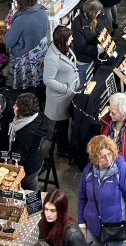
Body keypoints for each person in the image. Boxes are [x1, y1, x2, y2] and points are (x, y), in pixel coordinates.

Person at [78, 134, 126, 246]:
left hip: (114, 227)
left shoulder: (122, 169)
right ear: (95, 157)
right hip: (92, 227)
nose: (108, 159)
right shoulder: (88, 171)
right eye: (102, 156)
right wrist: (82, 224)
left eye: (109, 154)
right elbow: (82, 197)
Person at [43, 26, 81, 159]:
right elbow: (48, 80)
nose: (72, 39)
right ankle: (62, 149)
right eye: (70, 37)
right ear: (63, 40)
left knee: (66, 122)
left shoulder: (64, 48)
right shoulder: (52, 58)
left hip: (70, 92)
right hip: (60, 97)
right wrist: (65, 88)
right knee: (61, 125)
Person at [3, 0, 48, 90]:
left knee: (29, 85)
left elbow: (9, 42)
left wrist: (8, 30)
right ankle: (42, 96)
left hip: (27, 56)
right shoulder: (41, 10)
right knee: (40, 76)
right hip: (41, 50)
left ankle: (30, 99)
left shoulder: (20, 20)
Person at [8, 92, 49, 190]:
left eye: (16, 105)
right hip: (37, 157)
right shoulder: (38, 116)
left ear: (23, 111)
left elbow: (20, 156)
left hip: (28, 168)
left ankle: (37, 205)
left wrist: (16, 177)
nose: (13, 107)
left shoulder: (26, 133)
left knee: (31, 192)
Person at [72, 0, 105, 86]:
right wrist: (97, 50)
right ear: (92, 12)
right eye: (98, 11)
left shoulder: (98, 16)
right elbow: (81, 46)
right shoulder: (77, 25)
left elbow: (104, 29)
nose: (99, 13)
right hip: (85, 61)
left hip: (97, 58)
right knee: (87, 86)